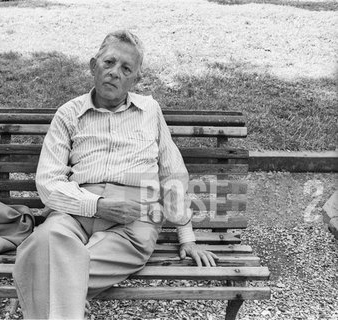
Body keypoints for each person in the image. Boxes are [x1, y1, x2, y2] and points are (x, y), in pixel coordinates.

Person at [13, 30, 218, 319]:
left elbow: (173, 173)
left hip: (133, 221)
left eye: (126, 69)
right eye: (108, 63)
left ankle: (45, 292)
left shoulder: (150, 110)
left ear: (135, 79)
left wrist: (187, 237)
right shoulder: (68, 114)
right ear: (93, 65)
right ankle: (66, 296)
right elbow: (48, 183)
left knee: (43, 265)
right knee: (43, 241)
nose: (114, 73)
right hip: (75, 210)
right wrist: (97, 205)